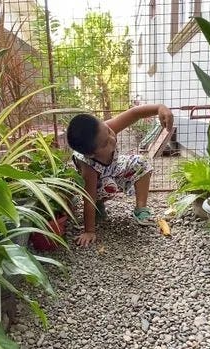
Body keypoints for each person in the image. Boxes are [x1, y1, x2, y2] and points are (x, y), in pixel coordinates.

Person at [66, 104, 174, 247]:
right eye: (105, 144)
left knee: (140, 163)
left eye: (109, 131)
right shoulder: (88, 168)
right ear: (91, 154)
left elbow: (134, 114)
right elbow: (88, 199)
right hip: (98, 184)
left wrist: (159, 108)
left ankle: (141, 209)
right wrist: (89, 231)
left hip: (114, 168)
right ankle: (100, 207)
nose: (112, 139)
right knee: (107, 186)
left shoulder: (104, 130)